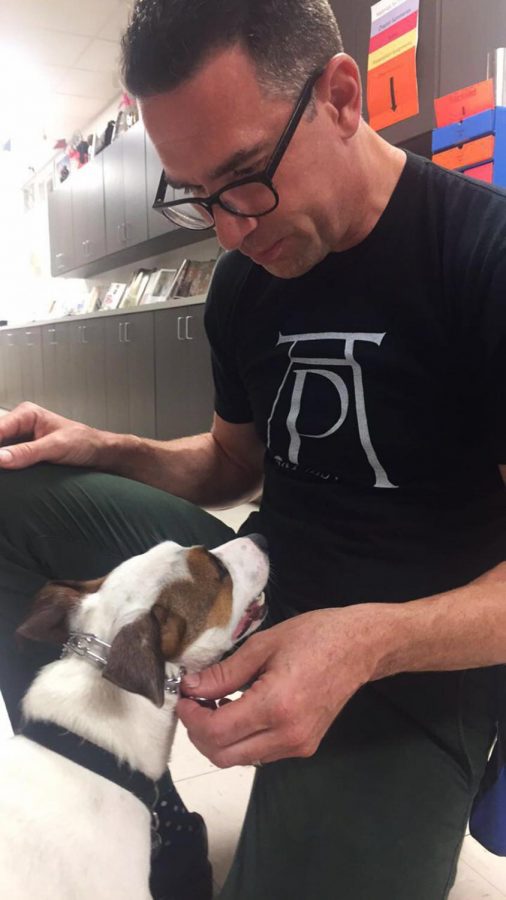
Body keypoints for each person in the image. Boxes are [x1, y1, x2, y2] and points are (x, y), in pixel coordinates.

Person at [1, 0, 505, 897]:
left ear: (343, 97)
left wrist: (365, 645)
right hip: (261, 574)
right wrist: (102, 445)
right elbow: (230, 467)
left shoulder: (482, 257)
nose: (229, 227)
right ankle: (125, 786)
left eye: (243, 178)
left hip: (420, 644)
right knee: (9, 492)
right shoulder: (243, 281)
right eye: (195, 195)